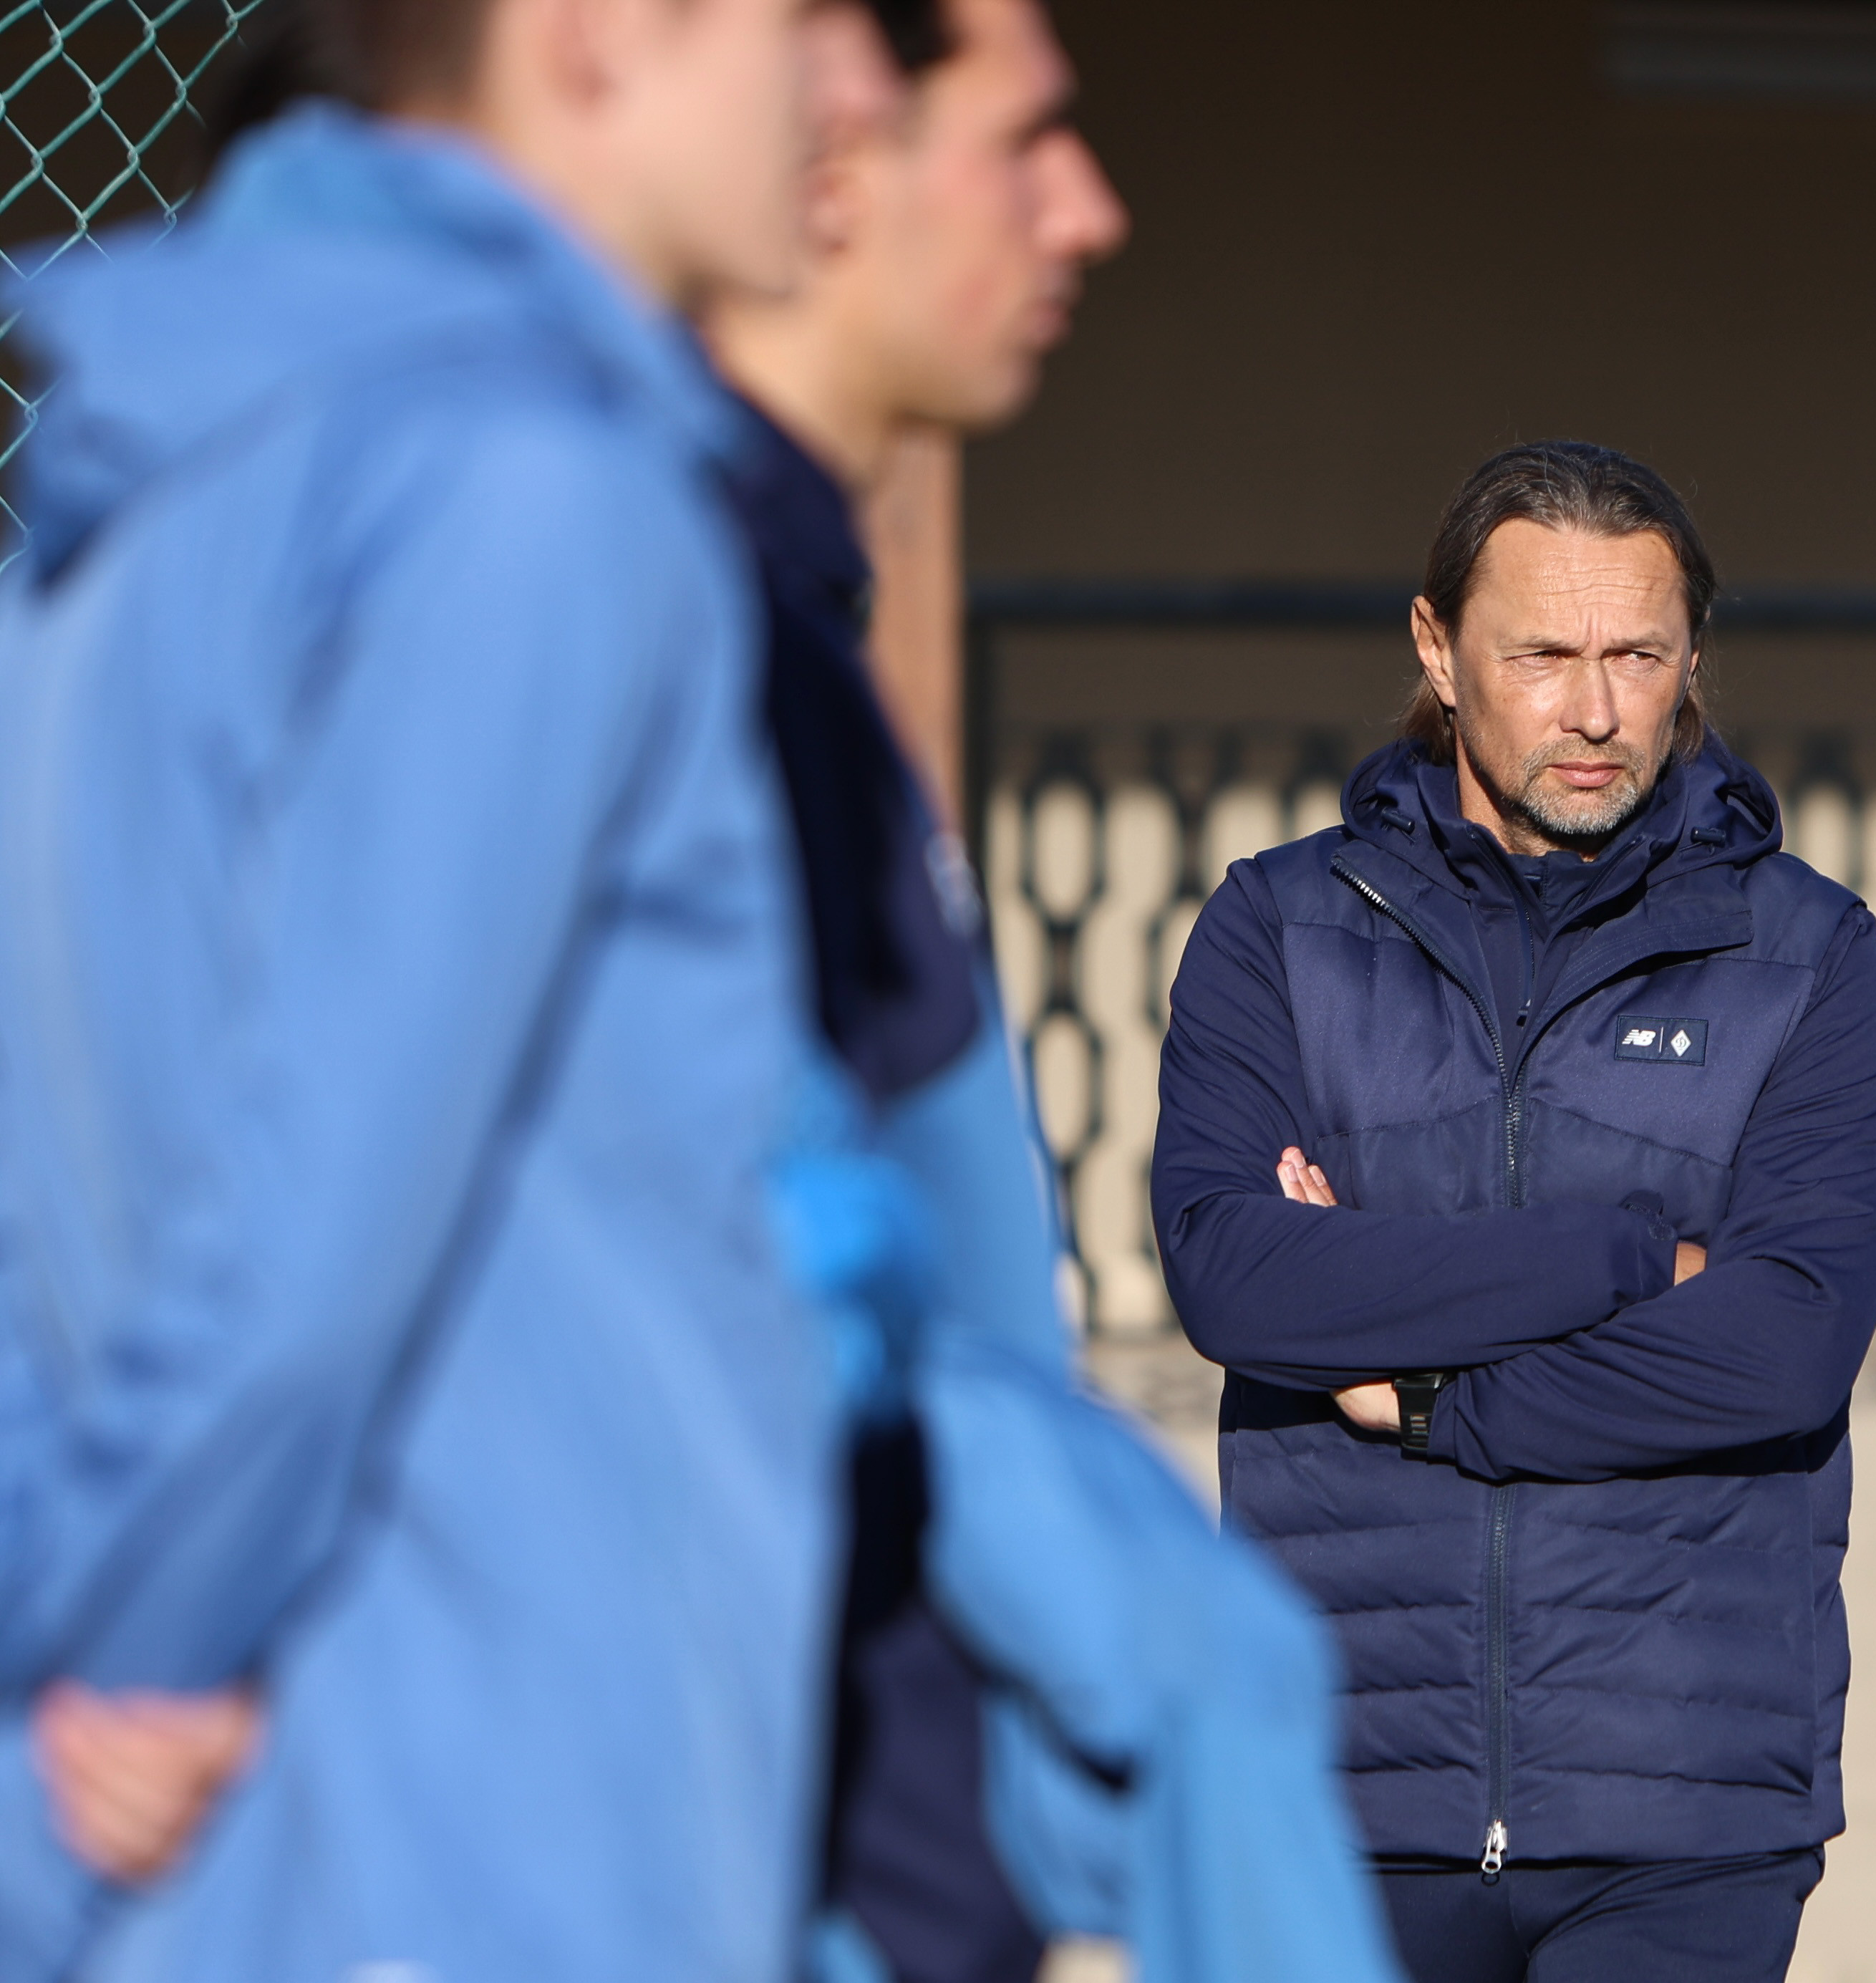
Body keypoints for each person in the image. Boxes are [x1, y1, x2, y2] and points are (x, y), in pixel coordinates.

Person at [0, 0, 852, 1974]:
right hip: (476, 1797)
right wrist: (142, 1646)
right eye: (796, 20)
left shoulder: (137, 483)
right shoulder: (542, 491)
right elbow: (320, 1211)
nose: (836, 85)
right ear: (599, 36)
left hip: (195, 1807)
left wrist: (62, 1662)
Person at [703, 6, 1404, 1982]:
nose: (1089, 209)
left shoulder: (791, 630)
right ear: (832, 147)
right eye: (1023, 138)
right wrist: (1177, 1639)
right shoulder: (667, 635)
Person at [1149, 439, 1876, 1983]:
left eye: (1638, 654)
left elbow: (1783, 1343)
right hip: (1339, 1786)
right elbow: (1239, 1276)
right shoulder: (1277, 929)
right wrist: (1626, 1252)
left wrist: (1431, 1390)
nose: (1596, 709)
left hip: (1682, 1799)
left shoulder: (1807, 954)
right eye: (1542, 656)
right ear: (1437, 651)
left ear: (1692, 654)